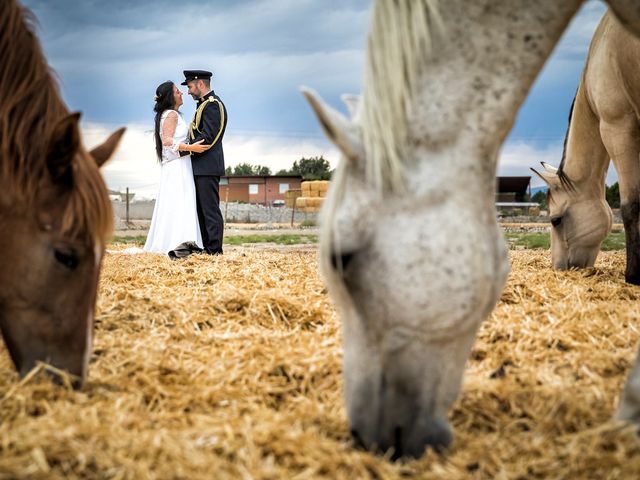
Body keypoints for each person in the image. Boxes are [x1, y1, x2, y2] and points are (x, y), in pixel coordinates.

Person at [144, 81, 209, 254]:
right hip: (178, 168)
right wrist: (191, 148)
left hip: (178, 166)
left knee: (177, 204)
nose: (181, 93)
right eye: (177, 91)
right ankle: (178, 242)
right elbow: (167, 141)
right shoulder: (171, 114)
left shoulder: (168, 114)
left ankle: (180, 241)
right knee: (179, 202)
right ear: (170, 97)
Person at [181, 69, 228, 255]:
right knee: (202, 211)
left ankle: (215, 250)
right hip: (200, 166)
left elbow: (208, 138)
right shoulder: (203, 105)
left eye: (190, 86)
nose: (189, 91)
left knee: (210, 211)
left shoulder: (213, 105)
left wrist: (183, 148)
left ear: (200, 84)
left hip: (207, 166)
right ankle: (208, 248)